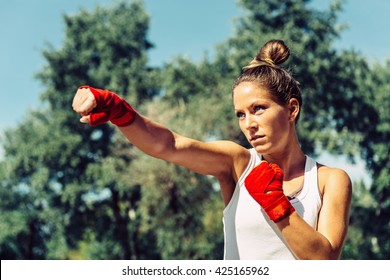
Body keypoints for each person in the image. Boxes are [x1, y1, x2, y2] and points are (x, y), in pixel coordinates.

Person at [72, 39, 352, 260]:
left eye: (258, 109)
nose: (249, 124)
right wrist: (120, 112)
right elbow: (169, 145)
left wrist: (278, 207)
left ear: (291, 109)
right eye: (241, 114)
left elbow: (323, 261)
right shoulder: (238, 163)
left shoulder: (330, 180)